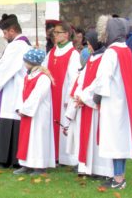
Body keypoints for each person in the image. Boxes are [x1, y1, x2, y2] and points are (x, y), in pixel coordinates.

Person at [94, 15, 132, 190]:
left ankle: (119, 178)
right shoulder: (126, 49)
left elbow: (103, 78)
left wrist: (96, 97)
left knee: (114, 141)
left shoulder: (111, 52)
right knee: (120, 141)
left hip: (113, 102)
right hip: (124, 102)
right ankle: (118, 176)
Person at [0, 14, 31, 168]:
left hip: (12, 90)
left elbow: (5, 68)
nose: (4, 36)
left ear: (12, 30)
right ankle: (12, 159)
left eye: (5, 33)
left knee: (10, 120)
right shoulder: (24, 45)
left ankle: (5, 159)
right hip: (13, 88)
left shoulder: (16, 46)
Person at [70, 29, 113, 178]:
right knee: (86, 137)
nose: (88, 46)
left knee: (95, 138)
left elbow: (98, 82)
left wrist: (85, 97)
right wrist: (78, 94)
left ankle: (100, 169)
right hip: (85, 103)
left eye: (89, 43)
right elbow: (82, 78)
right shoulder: (91, 58)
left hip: (94, 104)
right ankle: (87, 167)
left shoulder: (103, 59)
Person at [43, 21, 80, 166]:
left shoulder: (73, 54)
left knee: (63, 125)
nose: (54, 35)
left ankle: (64, 157)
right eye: (54, 33)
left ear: (66, 34)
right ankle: (52, 154)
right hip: (51, 94)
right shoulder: (52, 52)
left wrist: (68, 97)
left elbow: (74, 79)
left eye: (57, 32)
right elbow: (45, 69)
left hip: (63, 95)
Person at [13, 48, 55, 176]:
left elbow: (37, 96)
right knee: (27, 139)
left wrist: (25, 109)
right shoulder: (28, 76)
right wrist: (19, 107)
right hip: (27, 112)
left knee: (38, 138)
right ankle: (26, 164)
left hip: (39, 114)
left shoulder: (43, 78)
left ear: (32, 62)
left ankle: (39, 166)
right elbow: (21, 93)